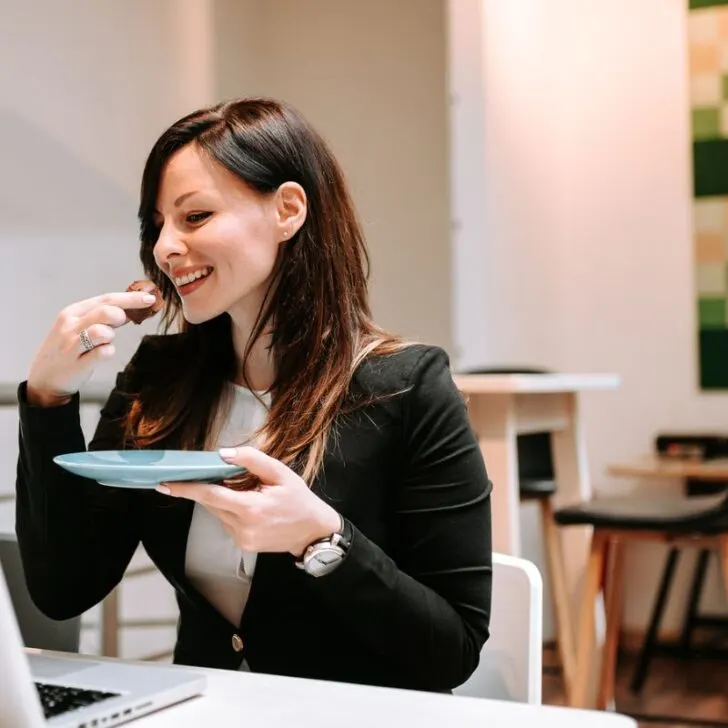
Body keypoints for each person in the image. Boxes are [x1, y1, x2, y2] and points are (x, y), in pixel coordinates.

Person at [15, 98, 493, 693]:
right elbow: (65, 590)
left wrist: (321, 539)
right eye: (156, 225)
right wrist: (47, 399)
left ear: (288, 209)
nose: (164, 247)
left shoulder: (407, 388)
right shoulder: (159, 382)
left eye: (194, 217)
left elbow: (453, 650)